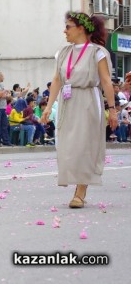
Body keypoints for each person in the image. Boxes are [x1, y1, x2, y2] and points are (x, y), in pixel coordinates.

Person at [40, 12, 117, 209]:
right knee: (67, 145)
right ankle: (76, 183)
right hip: (68, 102)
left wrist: (112, 109)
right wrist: (49, 107)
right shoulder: (63, 53)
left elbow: (106, 82)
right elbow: (57, 80)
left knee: (85, 144)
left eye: (68, 27)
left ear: (81, 29)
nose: (64, 31)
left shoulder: (97, 52)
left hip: (88, 100)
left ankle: (80, 191)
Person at [0, 71, 13, 146]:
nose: (3, 77)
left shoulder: (1, 85)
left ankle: (6, 141)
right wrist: (5, 92)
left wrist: (6, 93)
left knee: (5, 125)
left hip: (3, 107)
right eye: (2, 76)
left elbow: (6, 95)